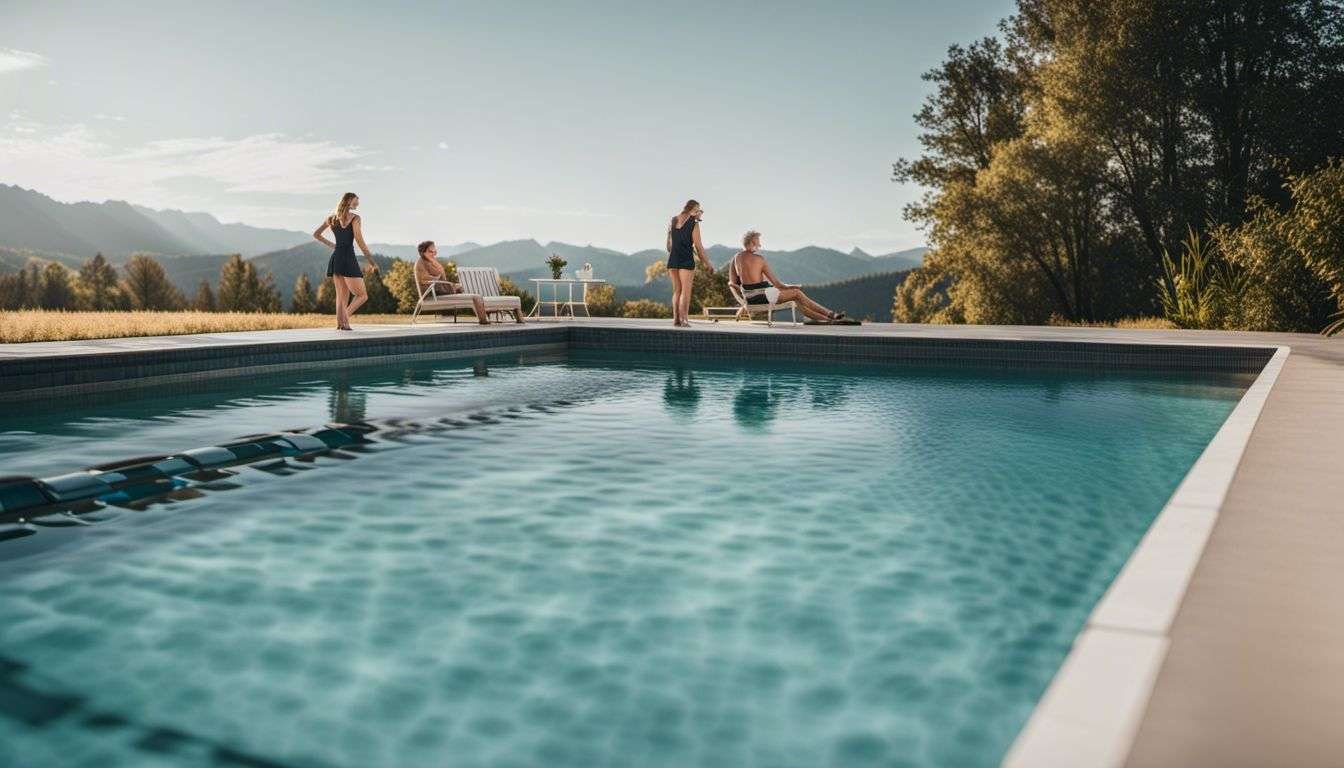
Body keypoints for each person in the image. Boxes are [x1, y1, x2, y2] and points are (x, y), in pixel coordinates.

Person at [729, 230, 847, 322]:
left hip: (750, 297)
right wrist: (791, 287)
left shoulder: (736, 258)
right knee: (797, 293)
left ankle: (828, 319)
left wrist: (743, 297)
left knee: (797, 300)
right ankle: (831, 315)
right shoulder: (760, 259)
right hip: (762, 295)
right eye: (758, 242)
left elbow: (732, 282)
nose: (760, 244)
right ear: (752, 243)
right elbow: (777, 283)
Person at [312, 192, 379, 330]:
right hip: (348, 257)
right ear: (348, 200)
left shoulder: (331, 219)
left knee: (341, 295)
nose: (358, 203)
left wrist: (334, 246)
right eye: (356, 201)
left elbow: (316, 234)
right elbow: (360, 242)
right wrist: (372, 262)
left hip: (336, 257)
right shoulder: (355, 218)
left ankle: (340, 324)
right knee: (362, 295)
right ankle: (345, 320)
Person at [665, 199, 716, 327]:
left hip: (673, 259)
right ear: (693, 210)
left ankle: (676, 320)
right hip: (686, 259)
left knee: (677, 290)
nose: (700, 213)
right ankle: (685, 320)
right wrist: (707, 263)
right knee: (685, 291)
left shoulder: (673, 221)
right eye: (698, 210)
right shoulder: (694, 223)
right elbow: (699, 247)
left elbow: (668, 246)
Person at [413, 240, 491, 324]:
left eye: (434, 251)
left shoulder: (431, 262)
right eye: (430, 251)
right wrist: (441, 280)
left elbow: (442, 277)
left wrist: (446, 281)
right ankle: (483, 320)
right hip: (431, 293)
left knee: (469, 292)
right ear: (423, 252)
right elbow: (425, 279)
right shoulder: (420, 263)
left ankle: (485, 312)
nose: (434, 253)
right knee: (475, 297)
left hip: (439, 290)